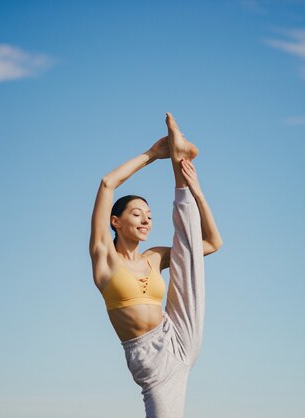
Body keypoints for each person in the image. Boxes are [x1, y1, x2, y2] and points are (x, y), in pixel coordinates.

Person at [89, 113, 223, 417]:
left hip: (177, 332)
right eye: (137, 214)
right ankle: (173, 154)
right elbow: (107, 183)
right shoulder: (104, 259)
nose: (146, 219)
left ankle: (180, 164)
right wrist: (152, 154)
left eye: (149, 214)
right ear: (115, 222)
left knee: (186, 250)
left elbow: (213, 243)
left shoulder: (153, 257)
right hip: (150, 357)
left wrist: (198, 191)